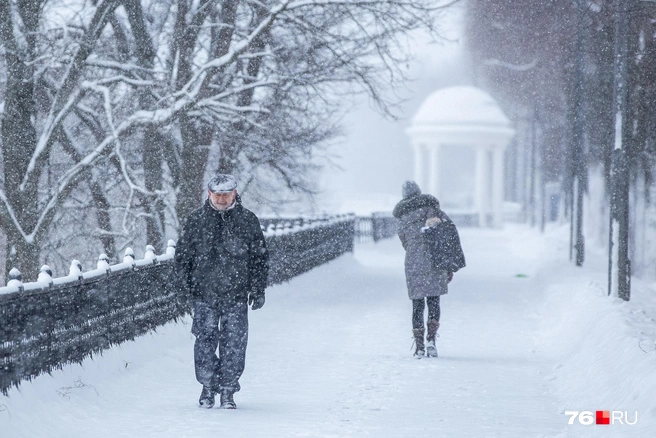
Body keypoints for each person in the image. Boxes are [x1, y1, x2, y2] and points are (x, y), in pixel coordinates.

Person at [175, 174, 269, 409]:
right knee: (204, 344)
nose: (222, 199)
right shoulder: (197, 220)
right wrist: (183, 288)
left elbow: (259, 258)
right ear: (209, 194)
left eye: (226, 195)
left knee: (234, 344)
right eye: (217, 195)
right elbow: (183, 257)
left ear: (235, 193)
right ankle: (208, 387)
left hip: (236, 294)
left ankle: (228, 390)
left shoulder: (248, 221)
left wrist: (258, 289)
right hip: (204, 293)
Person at [392, 180, 464, 359]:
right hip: (434, 258)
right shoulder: (433, 210)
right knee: (433, 300)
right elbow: (445, 235)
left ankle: (419, 347)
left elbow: (404, 241)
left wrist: (415, 249)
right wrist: (449, 265)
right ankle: (431, 341)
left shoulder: (402, 216)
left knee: (417, 304)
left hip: (413, 260)